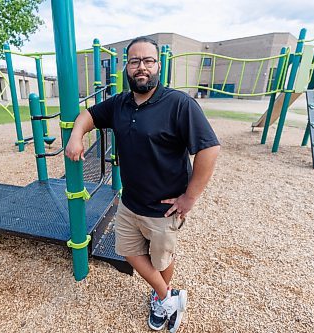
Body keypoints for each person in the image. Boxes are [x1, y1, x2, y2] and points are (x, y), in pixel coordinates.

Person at [65, 36, 220, 332]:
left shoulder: (178, 104)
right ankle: (167, 297)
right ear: (127, 67)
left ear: (158, 66)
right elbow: (89, 115)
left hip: (163, 208)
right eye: (135, 61)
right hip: (130, 202)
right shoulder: (121, 103)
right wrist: (77, 134)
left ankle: (161, 295)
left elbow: (209, 148)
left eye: (148, 61)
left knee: (161, 261)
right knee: (128, 251)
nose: (141, 67)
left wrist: (190, 197)